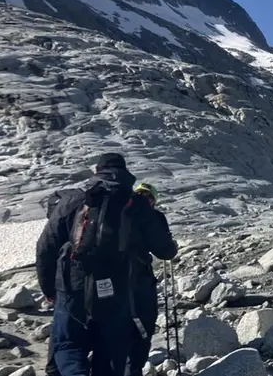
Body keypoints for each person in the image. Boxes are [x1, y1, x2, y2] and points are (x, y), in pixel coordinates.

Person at [35, 153, 174, 376]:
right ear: (125, 173)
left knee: (69, 344)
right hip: (117, 288)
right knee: (111, 349)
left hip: (73, 285)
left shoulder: (74, 201)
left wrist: (50, 290)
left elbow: (46, 248)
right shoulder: (138, 205)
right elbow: (166, 251)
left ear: (97, 172)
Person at [128, 183, 178, 376]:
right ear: (153, 199)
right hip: (139, 278)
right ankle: (134, 368)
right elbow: (165, 251)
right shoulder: (153, 216)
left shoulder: (117, 210)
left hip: (108, 278)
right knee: (144, 323)